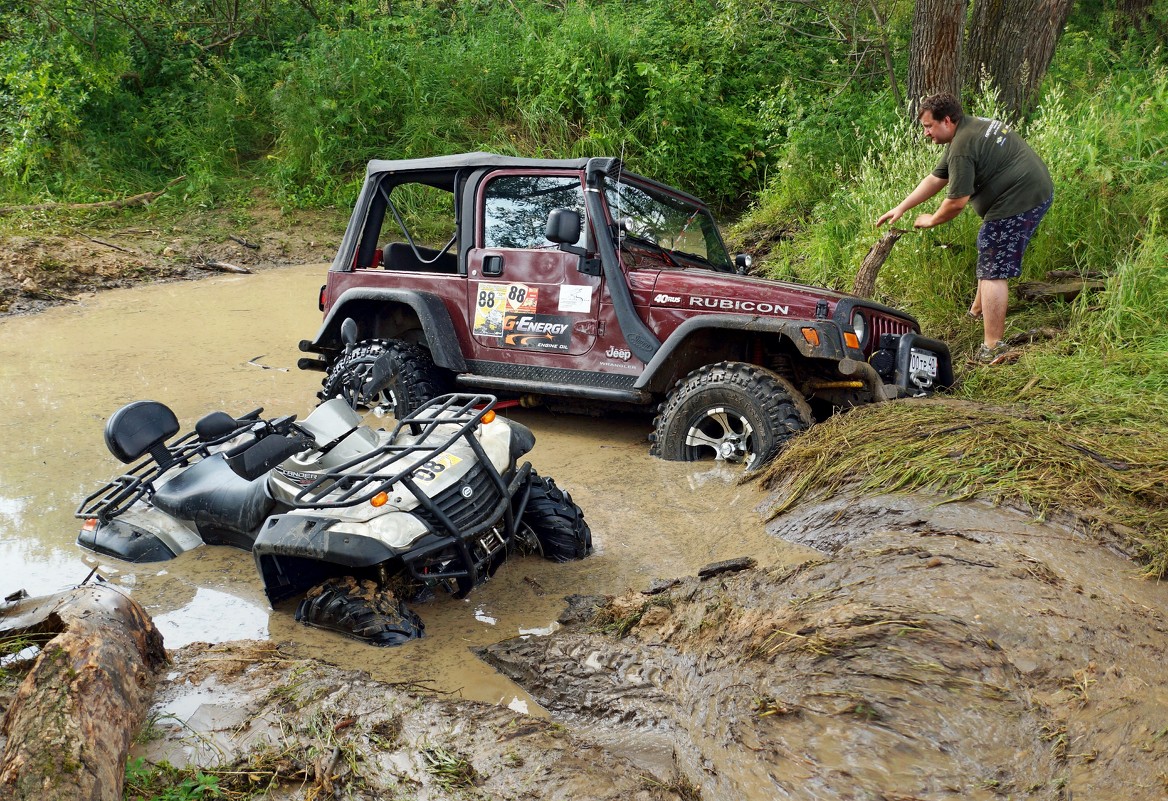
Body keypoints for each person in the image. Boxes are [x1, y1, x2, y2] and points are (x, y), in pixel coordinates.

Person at [876, 92, 1053, 362]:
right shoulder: (969, 128)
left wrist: (932, 219)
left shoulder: (962, 147)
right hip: (1033, 190)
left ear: (946, 120)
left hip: (1021, 198)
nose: (925, 133)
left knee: (994, 267)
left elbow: (956, 202)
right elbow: (936, 178)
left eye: (928, 126)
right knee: (989, 248)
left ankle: (992, 347)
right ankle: (976, 313)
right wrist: (902, 207)